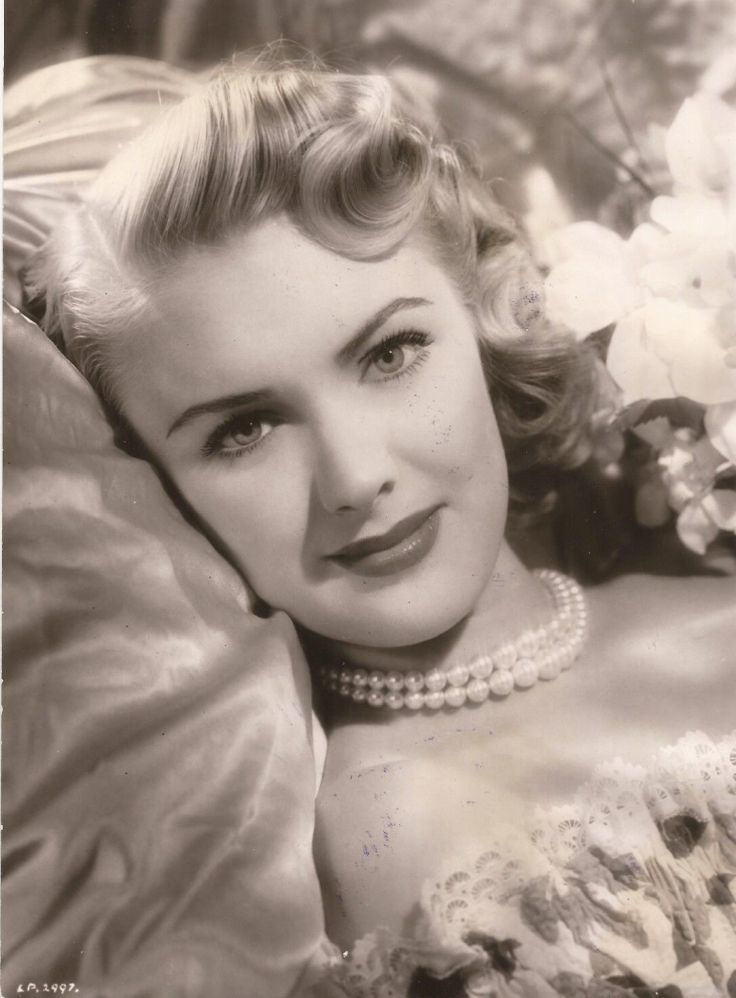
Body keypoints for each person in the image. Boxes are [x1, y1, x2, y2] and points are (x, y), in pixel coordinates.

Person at [28, 54, 736, 997]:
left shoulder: (719, 624)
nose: (355, 478)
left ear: (486, 319)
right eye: (243, 429)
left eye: (391, 353)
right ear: (155, 487)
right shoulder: (296, 886)